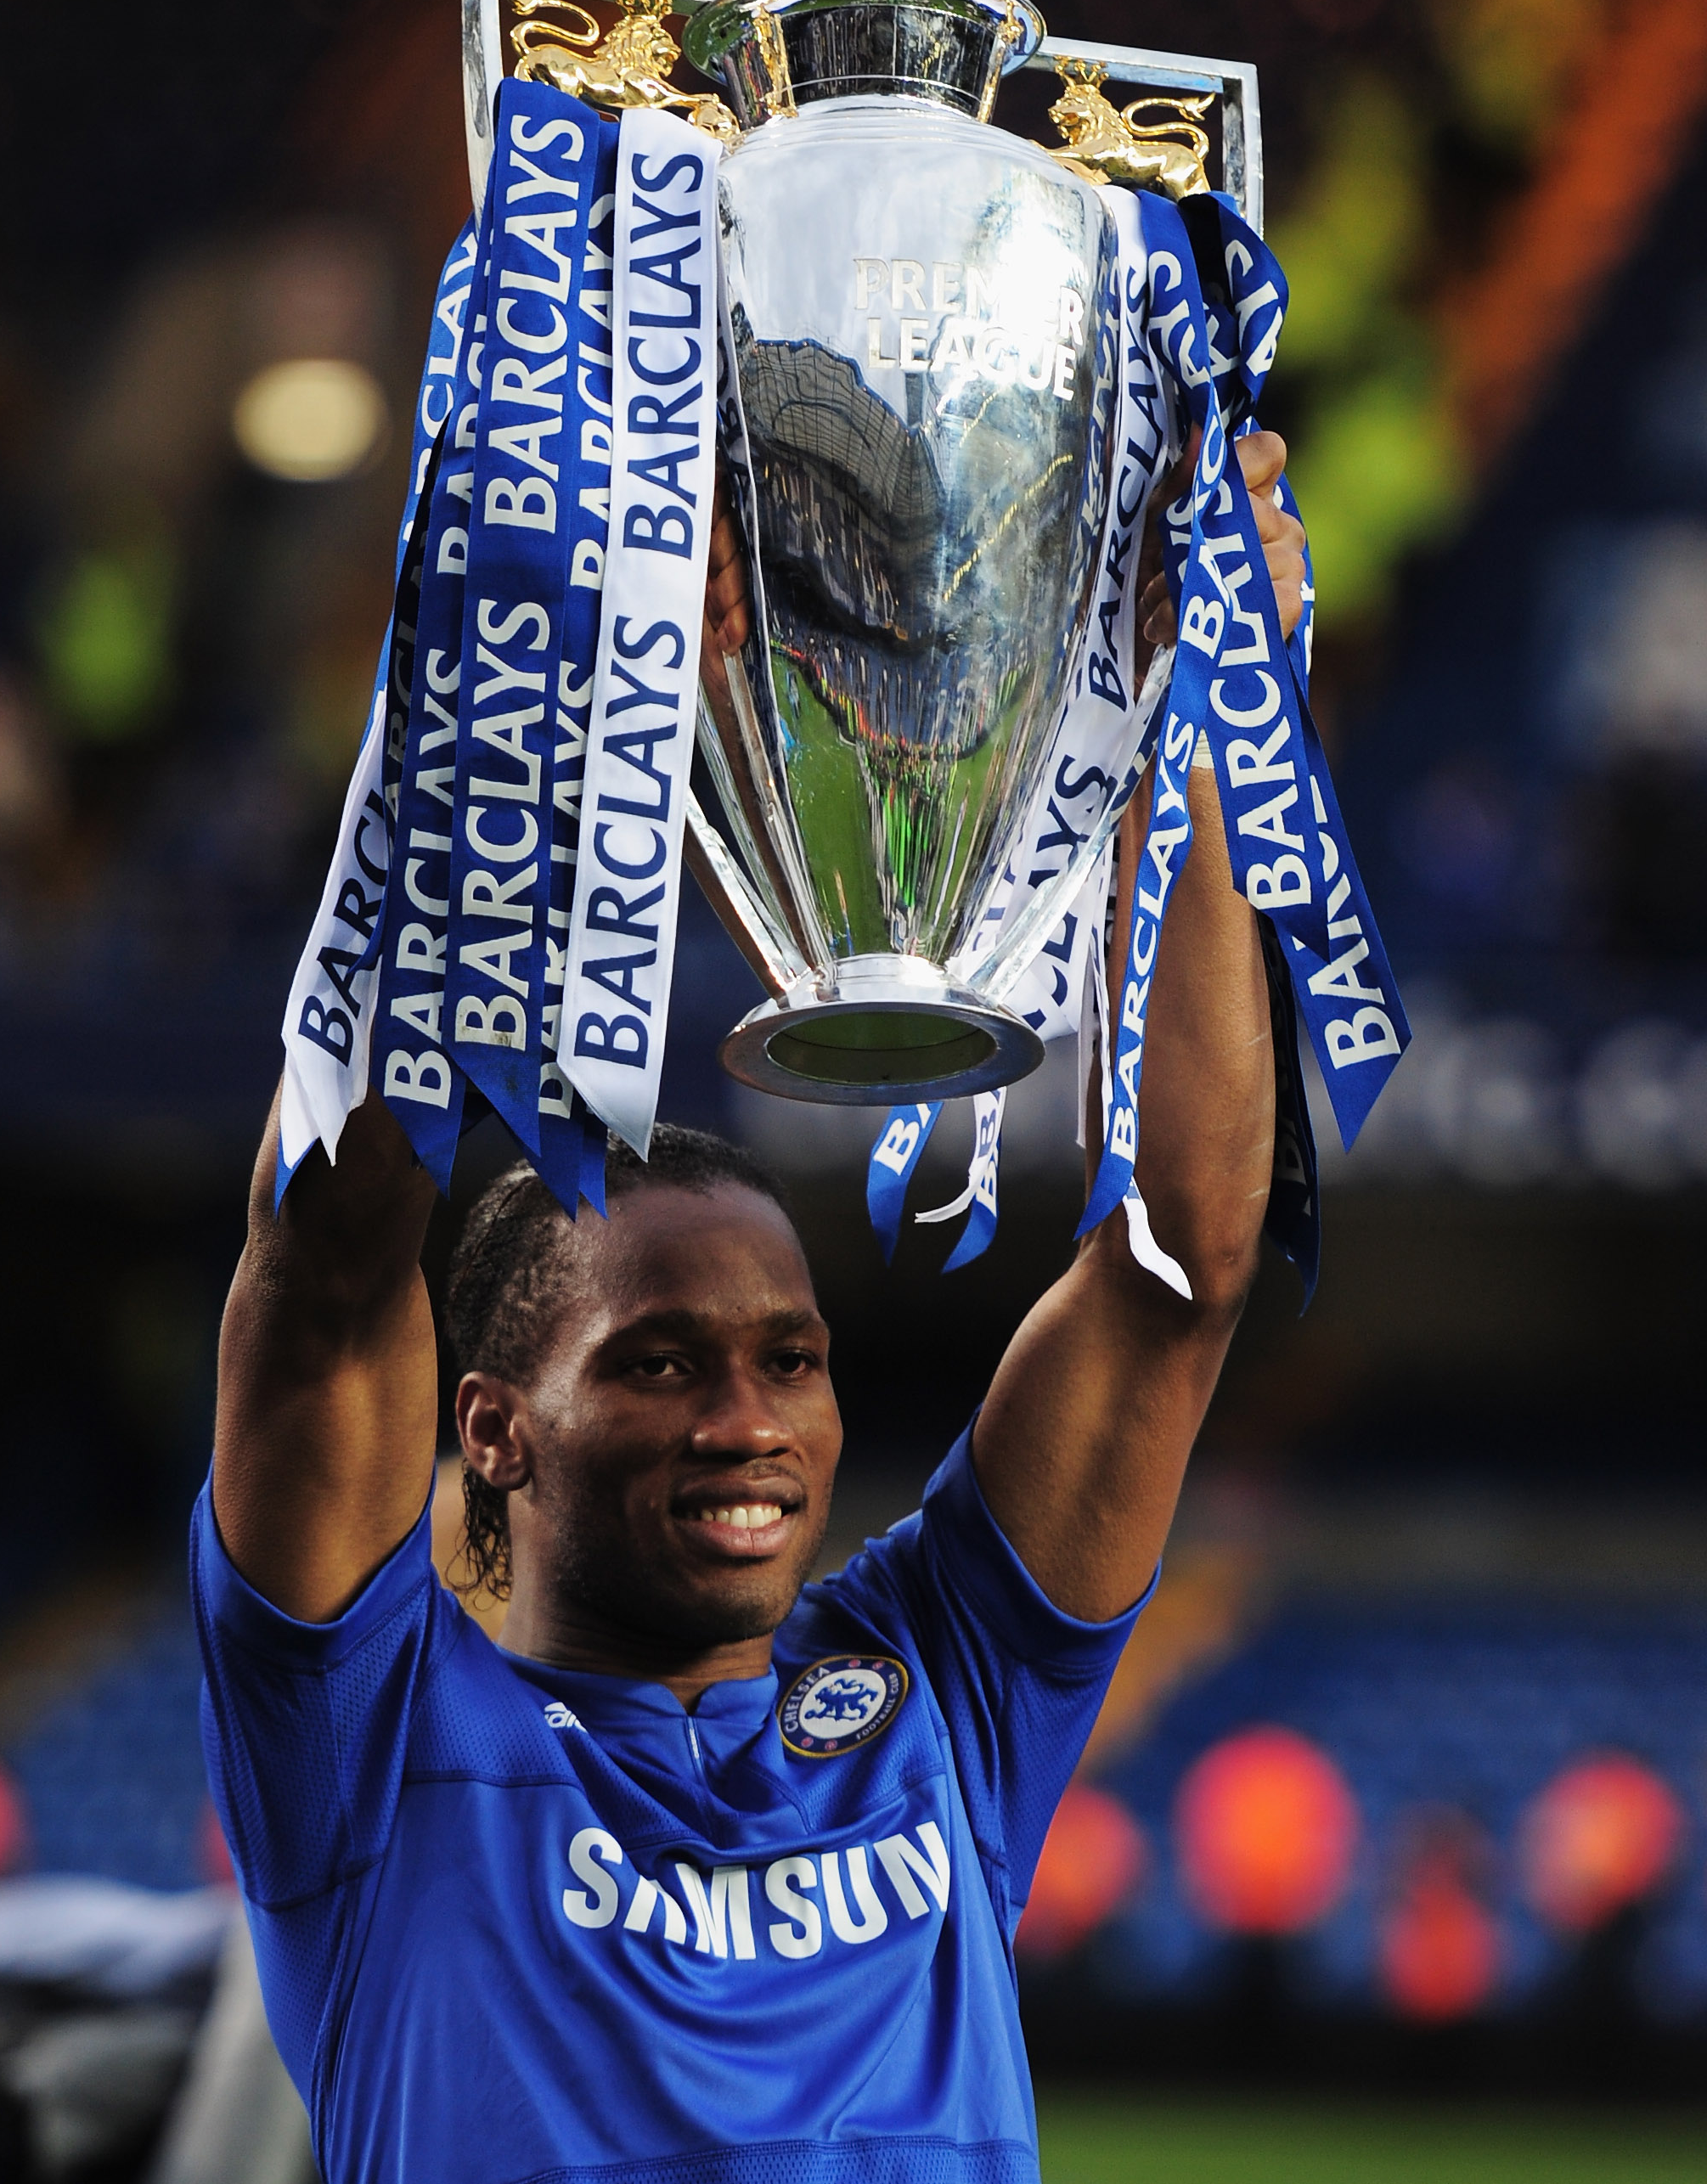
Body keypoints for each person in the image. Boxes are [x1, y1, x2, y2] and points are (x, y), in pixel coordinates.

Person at [194, 432, 1306, 2184]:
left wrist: (1207, 718)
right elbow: (325, 1273)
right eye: (657, 1361)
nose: (749, 1417)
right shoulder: (375, 1743)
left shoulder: (935, 1690)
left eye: (791, 1356)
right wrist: (556, 726)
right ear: (491, 1421)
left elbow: (1184, 1265)